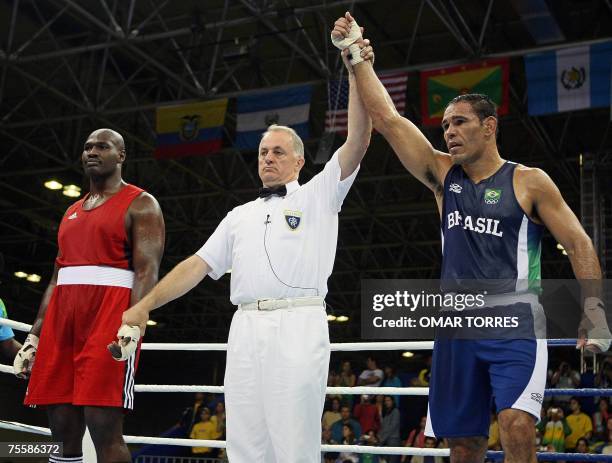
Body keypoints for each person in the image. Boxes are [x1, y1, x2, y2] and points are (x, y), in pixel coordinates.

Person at [332, 11, 610, 463]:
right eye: (445, 125)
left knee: (517, 426)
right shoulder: (444, 176)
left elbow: (580, 244)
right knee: (463, 445)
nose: (450, 131)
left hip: (516, 321)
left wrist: (594, 312)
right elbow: (386, 119)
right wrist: (354, 54)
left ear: (489, 126)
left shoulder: (530, 181)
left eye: (460, 122)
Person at [111, 46, 373, 462]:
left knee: (293, 440)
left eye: (278, 152)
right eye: (262, 153)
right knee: (245, 441)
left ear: (300, 160)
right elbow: (197, 265)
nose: (268, 158)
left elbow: (357, 140)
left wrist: (357, 68)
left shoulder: (320, 195)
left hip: (298, 322)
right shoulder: (238, 215)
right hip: (246, 326)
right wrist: (145, 304)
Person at [12, 128, 165, 463]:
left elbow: (147, 271)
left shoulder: (141, 203)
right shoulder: (70, 212)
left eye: (102, 146)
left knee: (103, 425)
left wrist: (134, 324)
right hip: (61, 321)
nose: (92, 152)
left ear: (121, 155)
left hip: (109, 319)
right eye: (87, 147)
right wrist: (34, 336)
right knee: (61, 426)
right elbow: (56, 279)